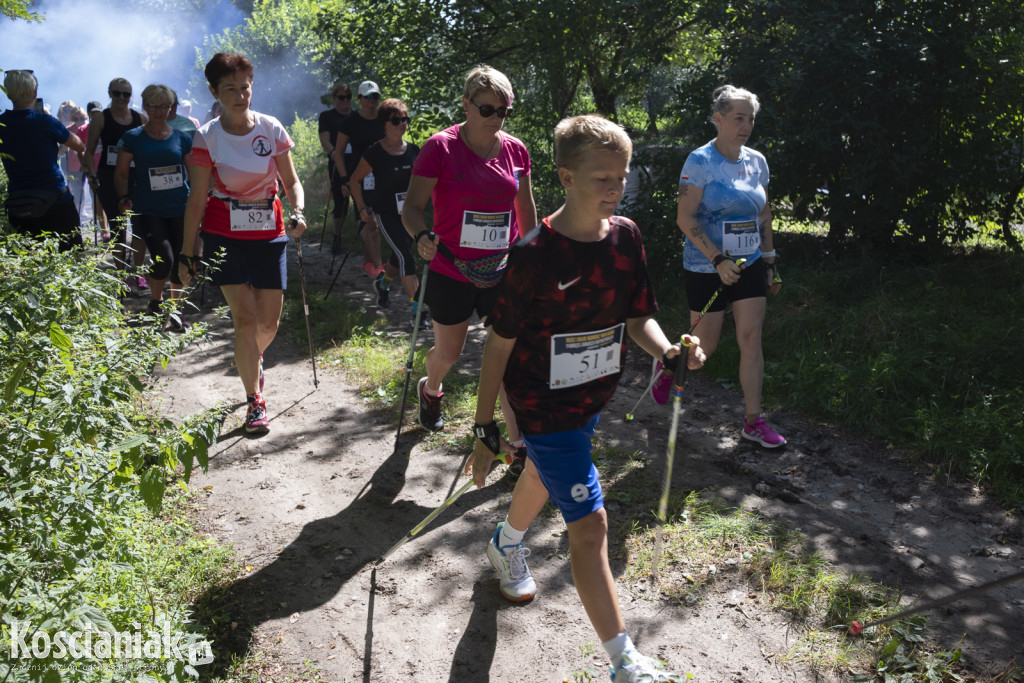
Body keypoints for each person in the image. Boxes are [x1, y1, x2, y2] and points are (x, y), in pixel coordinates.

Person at [467, 115, 701, 682]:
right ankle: (625, 662)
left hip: (589, 397)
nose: (615, 188)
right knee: (591, 523)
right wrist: (484, 430)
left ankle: (506, 542)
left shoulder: (626, 237)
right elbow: (497, 348)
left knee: (543, 477)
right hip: (540, 404)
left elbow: (637, 314)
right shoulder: (534, 253)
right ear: (566, 177)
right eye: (602, 178)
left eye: (621, 177)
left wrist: (668, 350)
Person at [401, 64, 535, 481]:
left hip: (503, 269)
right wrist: (421, 235)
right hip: (451, 269)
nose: (495, 117)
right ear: (466, 104)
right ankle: (431, 388)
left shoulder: (516, 150)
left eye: (504, 111)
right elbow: (412, 208)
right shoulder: (439, 147)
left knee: (509, 358)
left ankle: (517, 449)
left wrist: (534, 256)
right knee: (451, 354)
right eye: (487, 108)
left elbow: (526, 211)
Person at [178, 52, 307, 435]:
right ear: (215, 92)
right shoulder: (208, 136)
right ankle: (255, 402)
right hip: (224, 234)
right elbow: (197, 200)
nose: (239, 96)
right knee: (245, 319)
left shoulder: (271, 128)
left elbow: (292, 182)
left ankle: (252, 359)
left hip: (269, 232)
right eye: (230, 89)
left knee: (268, 322)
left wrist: (298, 210)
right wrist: (189, 252)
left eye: (245, 87)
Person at [672, 85, 785, 448]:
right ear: (718, 119)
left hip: (749, 261)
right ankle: (670, 363)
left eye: (750, 119)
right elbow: (684, 218)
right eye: (739, 118)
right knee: (704, 349)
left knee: (751, 337)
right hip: (706, 266)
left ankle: (753, 421)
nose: (746, 125)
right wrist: (716, 259)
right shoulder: (699, 162)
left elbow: (763, 214)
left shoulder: (757, 161)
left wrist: (769, 262)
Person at [114, 84, 192, 328]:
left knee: (181, 260)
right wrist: (123, 197)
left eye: (164, 106)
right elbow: (121, 173)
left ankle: (176, 313)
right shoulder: (133, 138)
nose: (159, 111)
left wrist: (204, 195)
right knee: (164, 258)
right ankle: (156, 303)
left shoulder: (182, 139)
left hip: (180, 207)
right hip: (149, 208)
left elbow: (195, 172)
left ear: (171, 108)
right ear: (145, 107)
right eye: (154, 106)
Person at [348, 98, 422, 324]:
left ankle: (383, 285)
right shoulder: (375, 152)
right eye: (396, 120)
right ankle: (419, 312)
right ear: (384, 123)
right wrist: (362, 207)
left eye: (405, 119)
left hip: (410, 214)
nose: (402, 124)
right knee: (407, 257)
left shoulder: (414, 151)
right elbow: (354, 181)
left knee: (399, 255)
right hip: (385, 213)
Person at [0, 70, 85, 251]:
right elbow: (79, 145)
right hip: (56, 202)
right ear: (35, 93)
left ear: (8, 93)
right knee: (72, 257)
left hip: (19, 204)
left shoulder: (1, 124)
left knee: (30, 263)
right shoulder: (45, 121)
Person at [84, 77, 149, 288]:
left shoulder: (140, 118)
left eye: (126, 94)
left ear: (131, 96)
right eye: (117, 93)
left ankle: (138, 273)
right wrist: (92, 175)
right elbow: (90, 150)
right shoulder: (101, 118)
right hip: (109, 178)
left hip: (135, 178)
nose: (122, 98)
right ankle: (121, 275)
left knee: (140, 225)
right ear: (109, 93)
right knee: (118, 227)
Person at [330, 80, 385, 276]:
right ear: (360, 98)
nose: (372, 101)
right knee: (370, 222)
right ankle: (378, 269)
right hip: (359, 177)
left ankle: (370, 263)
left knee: (376, 221)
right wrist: (345, 179)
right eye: (368, 97)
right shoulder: (350, 122)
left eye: (375, 96)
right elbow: (338, 152)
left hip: (383, 176)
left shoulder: (384, 118)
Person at [318, 81, 354, 255]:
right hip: (337, 162)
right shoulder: (327, 116)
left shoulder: (356, 116)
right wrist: (333, 152)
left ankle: (364, 235)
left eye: (348, 97)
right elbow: (325, 139)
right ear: (334, 99)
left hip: (357, 163)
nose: (345, 101)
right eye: (341, 97)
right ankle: (336, 236)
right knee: (341, 202)